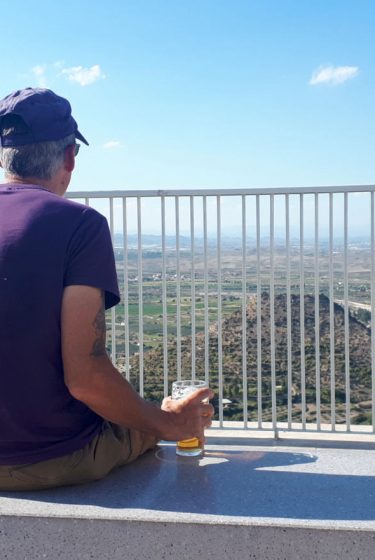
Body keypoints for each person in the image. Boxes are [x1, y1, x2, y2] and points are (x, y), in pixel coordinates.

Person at [0, 88, 214, 491]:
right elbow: (85, 377)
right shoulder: (79, 224)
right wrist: (168, 422)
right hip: (49, 458)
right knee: (151, 423)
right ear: (69, 158)